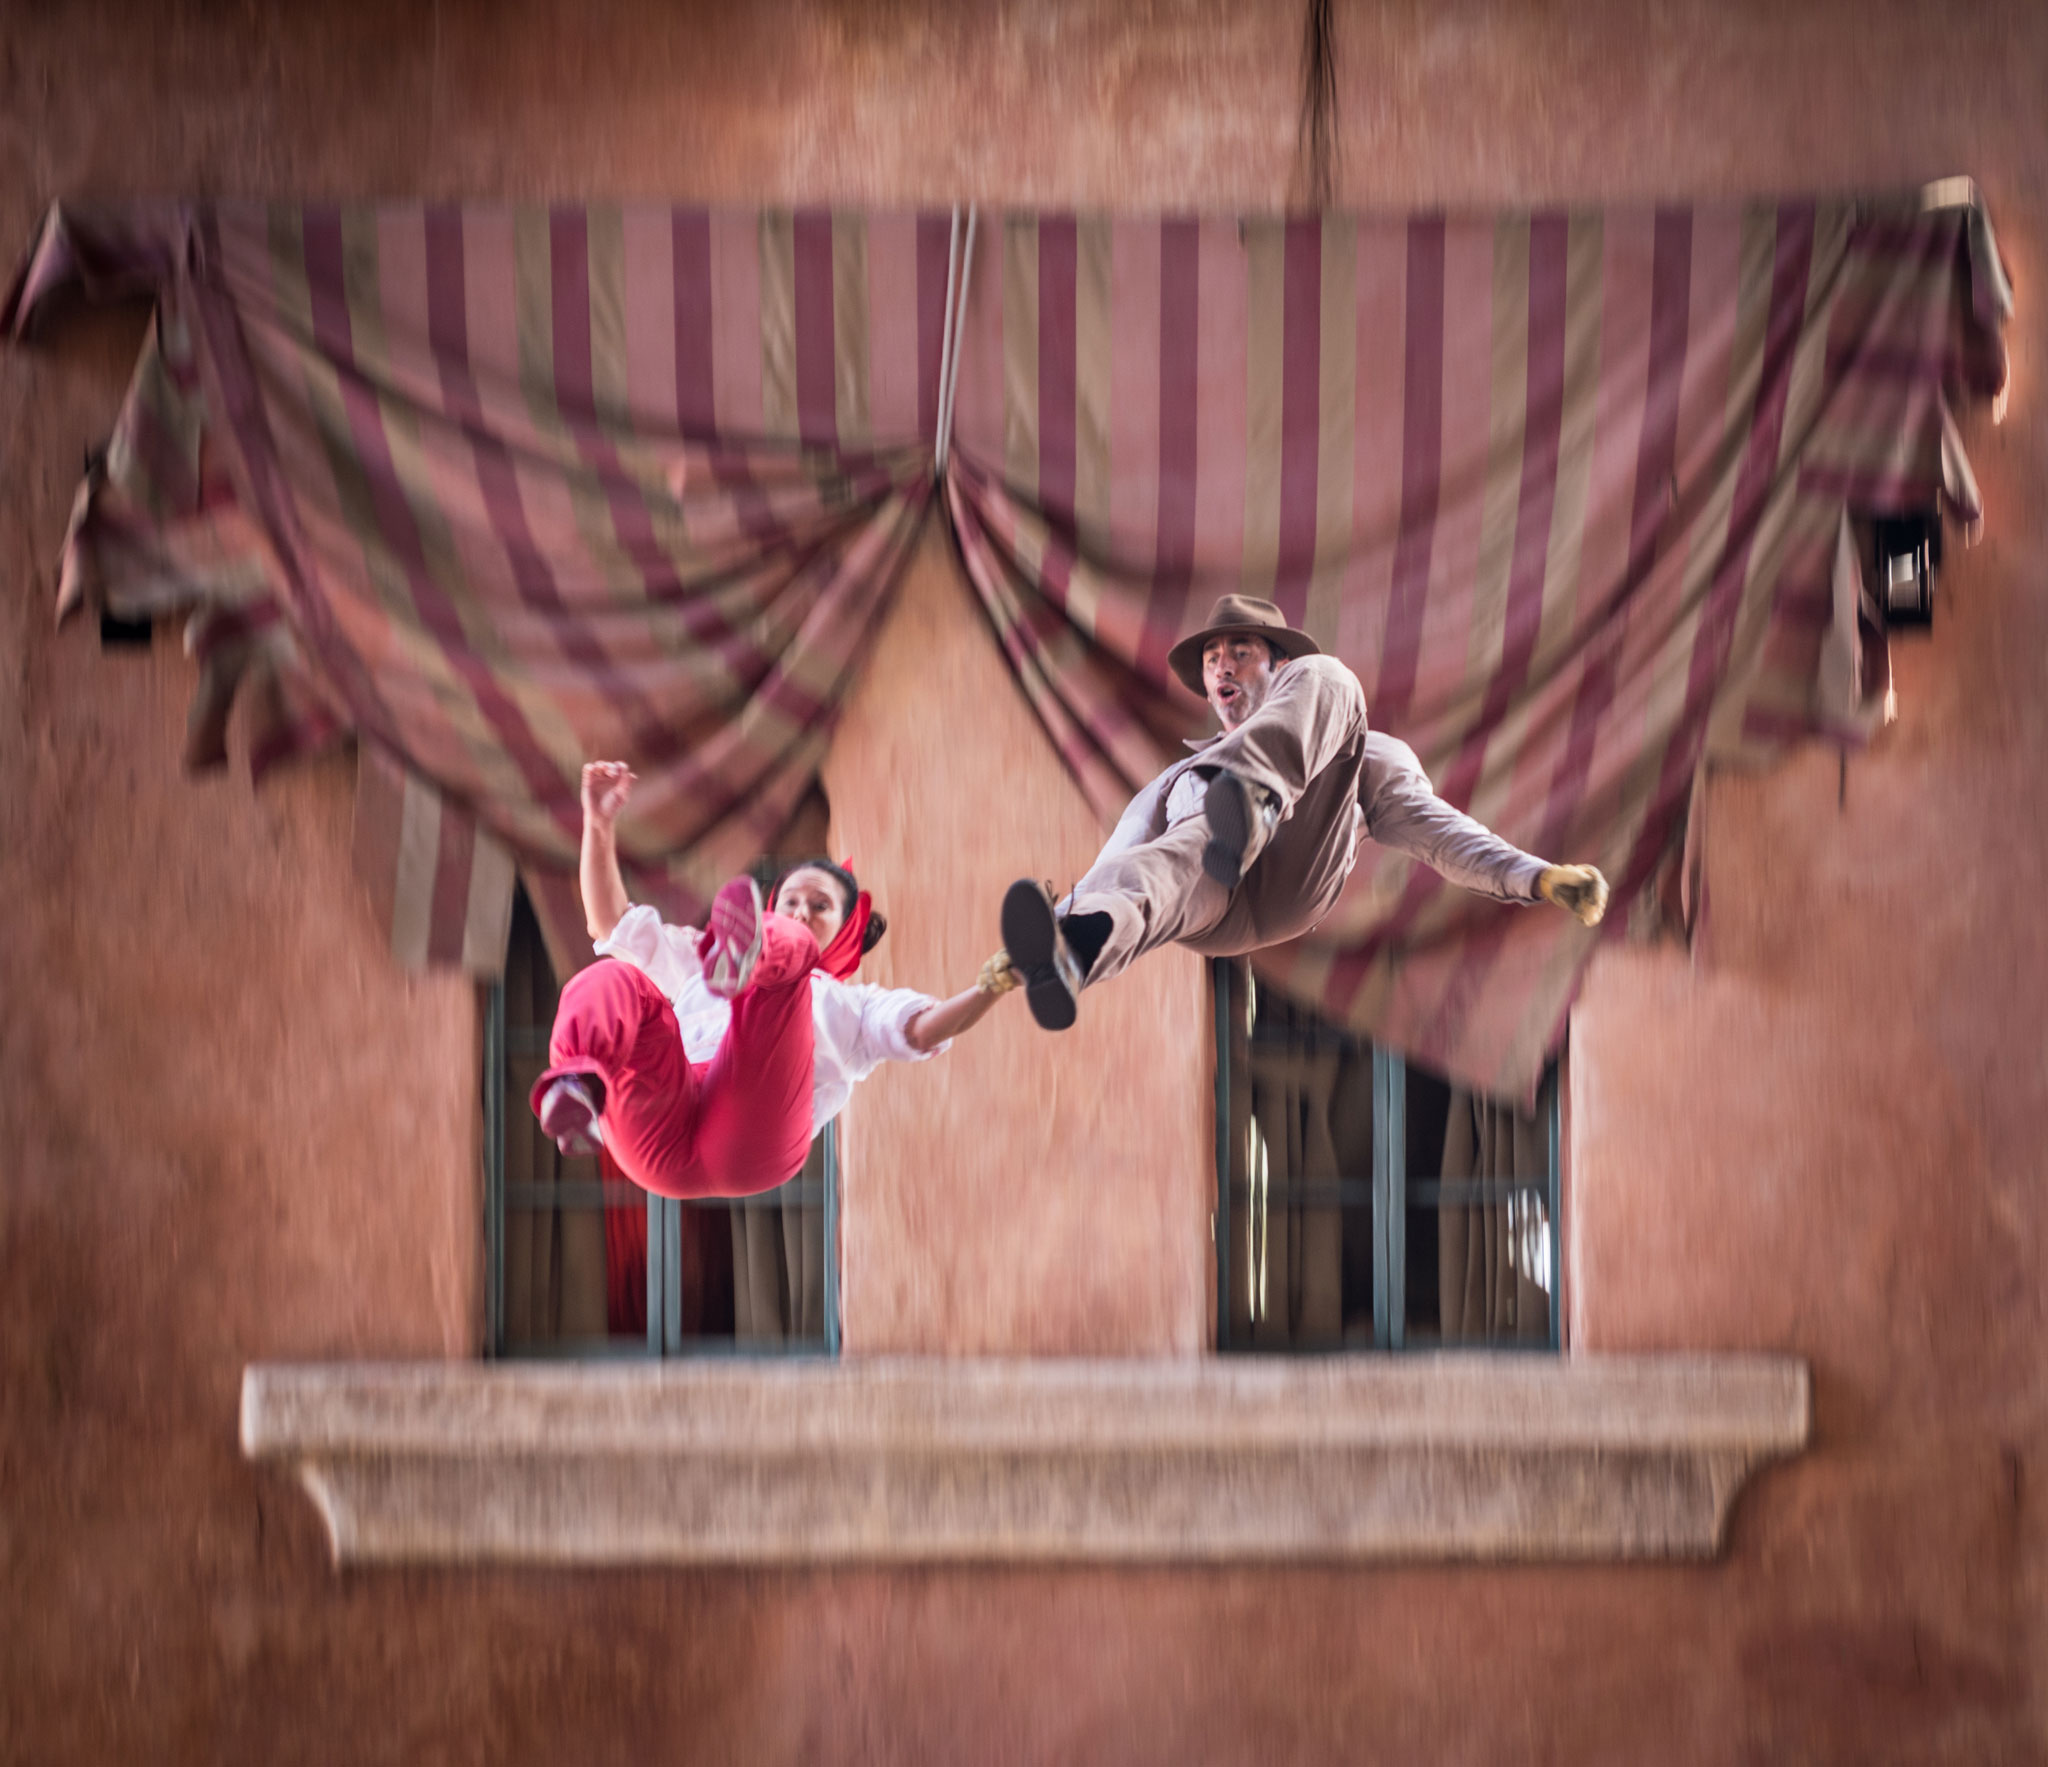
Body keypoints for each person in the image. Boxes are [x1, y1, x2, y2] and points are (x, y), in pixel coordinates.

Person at [1001, 594, 1610, 1030]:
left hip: (1292, 877)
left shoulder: (1361, 750)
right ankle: (1077, 952)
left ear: (1279, 669)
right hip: (1210, 891)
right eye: (1212, 659)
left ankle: (1259, 799)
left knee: (1336, 677)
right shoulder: (1175, 780)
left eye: (1241, 652)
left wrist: (1535, 877)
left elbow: (1436, 831)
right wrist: (1062, 920)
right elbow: (1126, 854)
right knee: (1170, 858)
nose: (1223, 666)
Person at [533, 761, 1015, 1198]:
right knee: (614, 975)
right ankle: (575, 1083)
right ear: (769, 907)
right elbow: (609, 923)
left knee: (793, 956)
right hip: (660, 1130)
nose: (802, 911)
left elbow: (923, 1030)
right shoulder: (697, 960)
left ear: (846, 928)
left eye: (820, 906)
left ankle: (757, 961)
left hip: (749, 1140)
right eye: (790, 902)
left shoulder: (857, 1007)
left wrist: (992, 985)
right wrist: (598, 825)